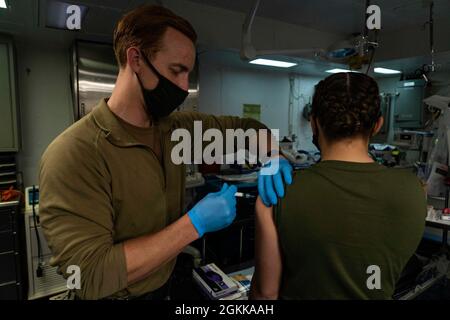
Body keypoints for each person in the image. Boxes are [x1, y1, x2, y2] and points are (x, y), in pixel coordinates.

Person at [39, 5, 291, 300]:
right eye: (176, 71)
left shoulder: (176, 130)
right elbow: (89, 275)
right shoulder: (76, 154)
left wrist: (274, 155)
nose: (184, 87)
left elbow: (247, 129)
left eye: (188, 73)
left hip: (167, 287)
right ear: (136, 59)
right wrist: (193, 225)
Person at [250, 72, 426, 300]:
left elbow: (266, 295)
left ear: (314, 122)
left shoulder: (276, 196)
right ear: (378, 125)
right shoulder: (414, 191)